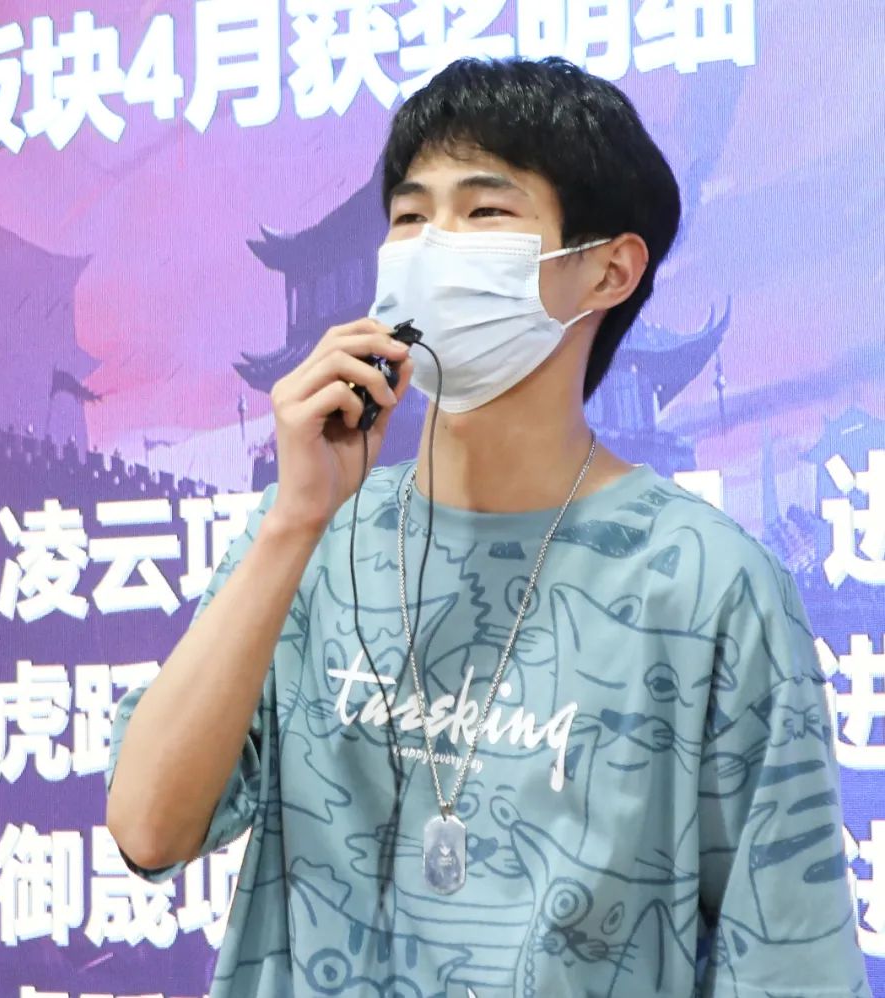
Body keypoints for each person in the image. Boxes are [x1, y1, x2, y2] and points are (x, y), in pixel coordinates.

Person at [106, 57, 870, 997]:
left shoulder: (708, 583)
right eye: (409, 217)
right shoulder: (307, 539)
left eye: (484, 211)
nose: (433, 246)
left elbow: (788, 960)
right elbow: (150, 828)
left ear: (608, 269)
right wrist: (294, 520)